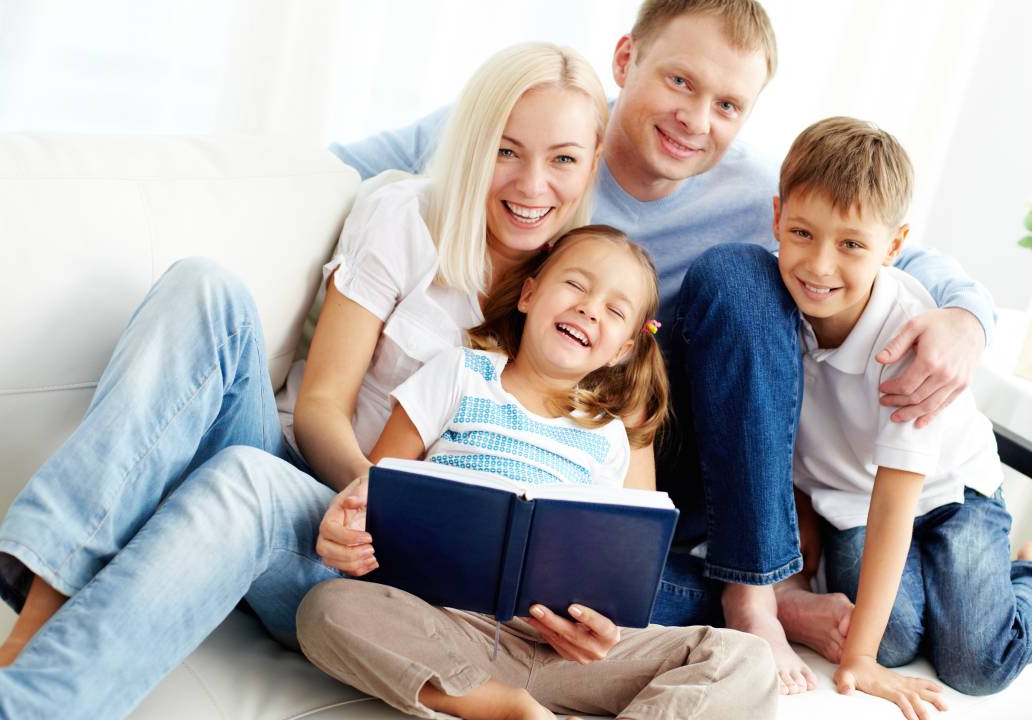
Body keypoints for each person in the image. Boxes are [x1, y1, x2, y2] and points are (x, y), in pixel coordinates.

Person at [331, 0, 998, 695]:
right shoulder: (541, 129)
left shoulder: (763, 196)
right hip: (529, 439)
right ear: (626, 60)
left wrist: (967, 318)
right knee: (540, 584)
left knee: (738, 276)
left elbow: (886, 247)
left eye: (728, 105)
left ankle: (753, 591)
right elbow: (338, 167)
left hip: (657, 434)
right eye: (680, 81)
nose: (696, 120)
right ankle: (743, 598)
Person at [0, 42, 611, 719]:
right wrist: (370, 494)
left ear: (593, 160)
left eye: (563, 159)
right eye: (507, 151)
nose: (532, 186)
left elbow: (607, 506)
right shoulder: (408, 217)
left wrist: (589, 617)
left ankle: (12, 709)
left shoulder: (591, 297)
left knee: (252, 480)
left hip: (370, 580)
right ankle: (34, 626)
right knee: (202, 288)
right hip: (319, 479)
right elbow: (323, 403)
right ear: (473, 144)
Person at [298, 226, 778, 720]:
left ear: (623, 350)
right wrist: (353, 531)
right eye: (575, 285)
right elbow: (376, 494)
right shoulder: (460, 373)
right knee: (327, 608)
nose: (589, 309)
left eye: (614, 311)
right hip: (445, 627)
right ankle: (511, 709)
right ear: (529, 294)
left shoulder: (612, 436)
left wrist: (603, 630)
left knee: (743, 658)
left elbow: (627, 578)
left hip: (566, 654)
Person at [770, 117, 1032, 718]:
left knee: (977, 663)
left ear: (893, 246)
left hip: (952, 492)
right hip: (851, 504)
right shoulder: (770, 309)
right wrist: (872, 650)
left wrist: (859, 662)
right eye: (802, 233)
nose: (820, 266)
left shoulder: (905, 334)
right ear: (777, 218)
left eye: (851, 244)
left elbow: (896, 500)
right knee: (894, 638)